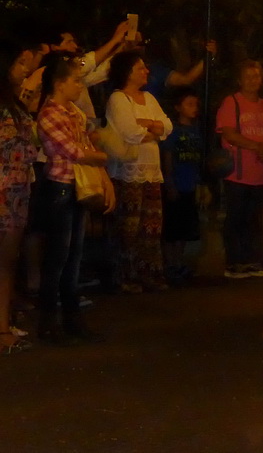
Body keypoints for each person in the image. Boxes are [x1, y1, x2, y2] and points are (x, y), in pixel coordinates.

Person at [36, 53, 116, 344]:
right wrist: (98, 157)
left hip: (74, 188)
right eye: (75, 81)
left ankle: (70, 319)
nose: (80, 86)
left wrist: (95, 158)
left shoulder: (71, 112)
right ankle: (50, 322)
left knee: (72, 257)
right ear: (60, 83)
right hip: (61, 188)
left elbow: (82, 145)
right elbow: (74, 151)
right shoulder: (50, 113)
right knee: (58, 258)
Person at [105, 50, 173, 293]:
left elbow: (167, 125)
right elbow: (129, 132)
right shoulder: (118, 99)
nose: (146, 71)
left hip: (150, 170)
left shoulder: (149, 98)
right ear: (127, 73)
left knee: (151, 225)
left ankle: (150, 272)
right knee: (129, 226)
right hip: (128, 171)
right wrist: (153, 130)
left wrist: (151, 126)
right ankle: (125, 275)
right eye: (140, 68)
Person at [216, 60, 263, 279]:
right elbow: (228, 133)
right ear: (240, 80)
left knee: (255, 219)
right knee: (236, 217)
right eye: (249, 76)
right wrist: (257, 146)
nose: (253, 81)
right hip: (238, 171)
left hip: (261, 173)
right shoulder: (232, 102)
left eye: (256, 76)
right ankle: (235, 262)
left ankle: (252, 260)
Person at [0, 40, 37, 355]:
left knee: (7, 263)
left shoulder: (17, 104)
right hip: (2, 189)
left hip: (17, 191)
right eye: (19, 63)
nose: (25, 70)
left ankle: (3, 327)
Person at [160, 88, 203, 284]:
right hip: (176, 184)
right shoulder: (174, 132)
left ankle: (179, 263)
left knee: (185, 228)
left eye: (195, 104)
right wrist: (170, 183)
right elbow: (168, 157)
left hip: (190, 185)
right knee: (172, 229)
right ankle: (170, 264)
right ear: (178, 107)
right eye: (189, 104)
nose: (194, 108)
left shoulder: (196, 132)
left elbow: (198, 159)